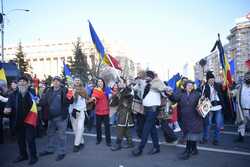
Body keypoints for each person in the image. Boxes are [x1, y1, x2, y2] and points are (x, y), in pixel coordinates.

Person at [4, 76, 38, 165]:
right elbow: (9, 104)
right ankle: (23, 155)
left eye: (24, 81)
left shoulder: (31, 93)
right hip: (18, 121)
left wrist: (37, 101)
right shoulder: (13, 94)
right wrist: (7, 109)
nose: (22, 83)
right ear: (18, 83)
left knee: (30, 140)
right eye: (20, 81)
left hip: (29, 121)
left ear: (27, 83)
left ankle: (34, 157)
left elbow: (37, 103)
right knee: (20, 140)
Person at [132, 71, 166, 156]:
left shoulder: (156, 83)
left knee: (146, 129)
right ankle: (156, 147)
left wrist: (157, 80)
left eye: (146, 76)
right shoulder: (144, 84)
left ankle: (140, 148)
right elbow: (134, 90)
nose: (145, 78)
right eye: (144, 77)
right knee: (152, 129)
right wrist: (136, 83)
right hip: (146, 109)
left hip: (153, 109)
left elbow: (164, 90)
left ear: (151, 77)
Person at [39, 76, 73, 161]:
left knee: (62, 135)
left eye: (58, 81)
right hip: (51, 117)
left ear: (60, 83)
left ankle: (62, 152)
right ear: (52, 82)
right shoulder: (48, 90)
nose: (56, 82)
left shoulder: (65, 90)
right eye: (54, 81)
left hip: (61, 117)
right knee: (50, 133)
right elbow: (44, 101)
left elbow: (70, 101)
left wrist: (70, 95)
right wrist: (39, 102)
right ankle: (50, 149)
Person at [168, 80, 202, 160]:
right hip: (185, 118)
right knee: (190, 134)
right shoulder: (181, 94)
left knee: (190, 135)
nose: (190, 86)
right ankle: (194, 149)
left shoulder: (197, 94)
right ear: (185, 86)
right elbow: (174, 98)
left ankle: (187, 151)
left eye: (191, 85)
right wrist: (169, 94)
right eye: (188, 85)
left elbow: (203, 104)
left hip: (195, 117)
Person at [202, 71, 225, 145]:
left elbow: (223, 93)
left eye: (213, 79)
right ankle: (205, 138)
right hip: (210, 107)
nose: (212, 80)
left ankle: (216, 139)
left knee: (218, 124)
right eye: (210, 79)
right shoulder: (205, 86)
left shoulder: (218, 85)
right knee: (208, 124)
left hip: (218, 106)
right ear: (207, 80)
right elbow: (203, 96)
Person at [111, 86, 134, 151]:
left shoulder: (129, 95)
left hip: (125, 114)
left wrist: (120, 95)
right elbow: (113, 104)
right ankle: (130, 143)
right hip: (121, 114)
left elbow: (127, 105)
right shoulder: (120, 93)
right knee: (126, 130)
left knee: (120, 129)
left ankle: (118, 144)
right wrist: (115, 96)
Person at [90, 78, 112, 147]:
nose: (100, 83)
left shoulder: (107, 89)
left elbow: (111, 97)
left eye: (101, 81)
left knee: (107, 127)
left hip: (105, 111)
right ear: (97, 83)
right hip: (98, 111)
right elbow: (93, 98)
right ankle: (98, 139)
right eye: (98, 81)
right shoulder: (95, 90)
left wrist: (110, 96)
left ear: (103, 82)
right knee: (98, 127)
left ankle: (108, 141)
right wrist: (93, 99)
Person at [69, 77, 88, 152]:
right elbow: (69, 101)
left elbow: (86, 99)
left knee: (80, 128)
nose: (77, 81)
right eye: (76, 80)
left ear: (80, 82)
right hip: (73, 111)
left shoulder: (83, 90)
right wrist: (72, 94)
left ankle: (76, 145)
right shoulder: (70, 90)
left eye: (78, 80)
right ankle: (82, 142)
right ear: (73, 81)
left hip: (81, 111)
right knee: (75, 129)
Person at [231, 71, 250, 142]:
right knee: (241, 124)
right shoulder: (240, 86)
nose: (248, 78)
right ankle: (241, 137)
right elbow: (235, 91)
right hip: (242, 109)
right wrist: (231, 93)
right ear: (245, 78)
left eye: (249, 77)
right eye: (247, 77)